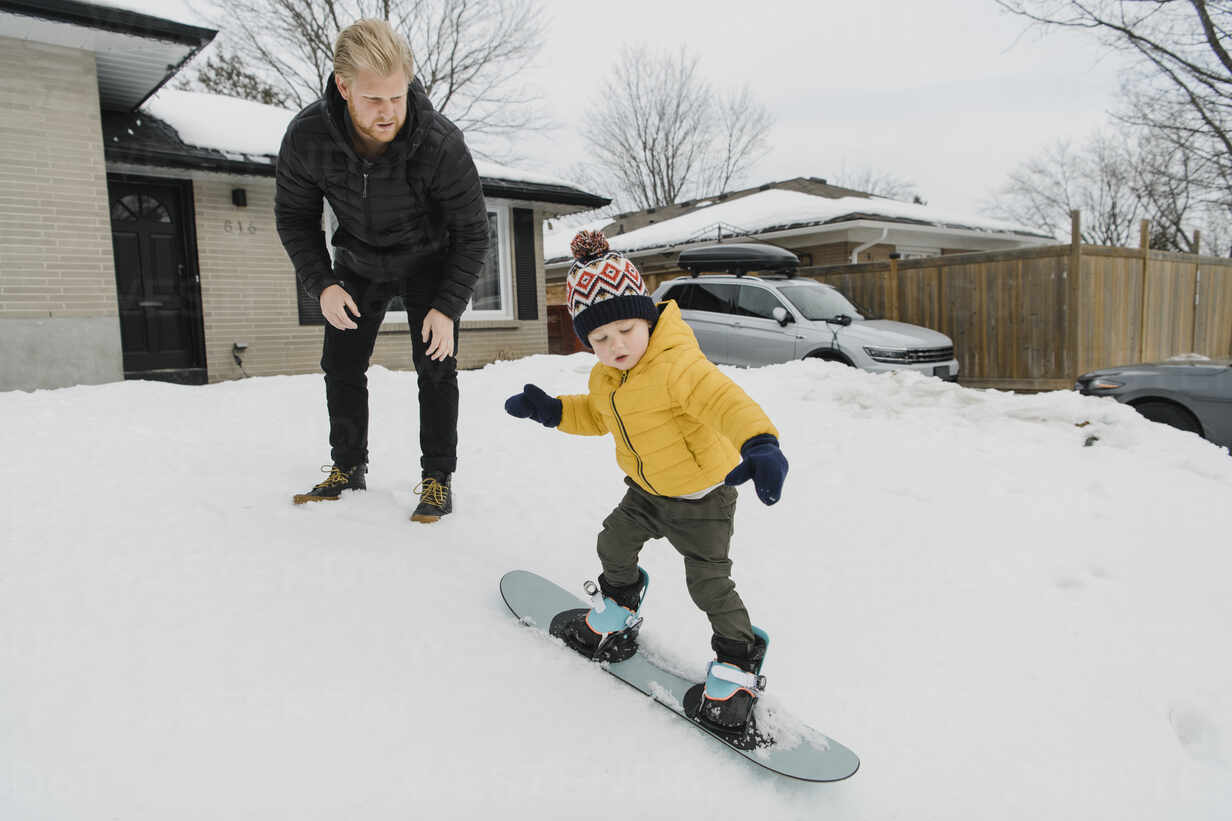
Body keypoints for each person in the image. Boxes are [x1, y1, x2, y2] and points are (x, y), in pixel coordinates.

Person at [503, 230, 789, 733]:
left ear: (649, 320)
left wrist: (760, 442)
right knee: (612, 543)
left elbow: (725, 402)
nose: (615, 346)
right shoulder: (607, 377)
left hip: (703, 497)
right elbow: (596, 415)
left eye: (625, 330)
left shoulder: (678, 366)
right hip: (646, 492)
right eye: (599, 339)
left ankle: (738, 661)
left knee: (709, 584)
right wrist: (552, 412)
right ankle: (618, 608)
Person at [275, 19, 489, 522]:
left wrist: (446, 305)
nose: (389, 111)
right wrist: (322, 283)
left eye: (397, 96)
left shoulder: (440, 143)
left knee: (436, 364)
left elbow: (474, 232)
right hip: (358, 262)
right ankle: (347, 467)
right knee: (342, 364)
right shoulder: (308, 138)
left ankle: (436, 479)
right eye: (374, 99)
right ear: (343, 86)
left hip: (430, 260)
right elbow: (294, 217)